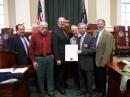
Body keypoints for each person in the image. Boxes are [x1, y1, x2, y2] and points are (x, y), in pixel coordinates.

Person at [29, 21, 55, 97]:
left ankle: (51, 92)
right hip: (39, 59)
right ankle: (42, 93)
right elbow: (31, 49)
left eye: (46, 28)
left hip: (49, 58)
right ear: (39, 28)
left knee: (50, 76)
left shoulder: (50, 34)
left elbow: (53, 45)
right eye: (42, 28)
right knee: (40, 77)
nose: (44, 29)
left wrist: (53, 55)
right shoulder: (34, 35)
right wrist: (33, 61)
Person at [94, 19, 114, 97]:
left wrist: (104, 62)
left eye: (101, 24)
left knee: (102, 76)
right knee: (96, 75)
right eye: (98, 24)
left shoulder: (108, 35)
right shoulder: (95, 32)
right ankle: (98, 88)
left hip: (102, 60)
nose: (99, 25)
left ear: (104, 24)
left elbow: (108, 50)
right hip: (94, 58)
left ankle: (102, 92)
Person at [52, 17, 71, 95]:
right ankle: (59, 87)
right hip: (60, 57)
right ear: (58, 23)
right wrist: (57, 58)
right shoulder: (55, 32)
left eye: (63, 21)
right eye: (61, 22)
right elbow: (54, 46)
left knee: (65, 72)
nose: (62, 23)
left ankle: (65, 84)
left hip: (67, 56)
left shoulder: (66, 31)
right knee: (60, 73)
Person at [76, 23, 96, 97]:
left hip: (88, 63)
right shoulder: (78, 38)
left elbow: (93, 50)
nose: (81, 30)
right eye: (79, 28)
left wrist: (82, 51)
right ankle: (82, 90)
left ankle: (89, 92)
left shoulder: (91, 38)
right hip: (80, 62)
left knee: (89, 79)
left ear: (85, 29)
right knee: (81, 78)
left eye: (82, 28)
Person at [70, 25, 80, 90]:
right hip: (74, 60)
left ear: (78, 30)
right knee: (75, 73)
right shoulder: (71, 39)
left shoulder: (82, 37)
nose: (74, 31)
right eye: (72, 30)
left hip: (82, 59)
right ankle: (77, 85)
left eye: (75, 30)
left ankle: (82, 86)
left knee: (81, 73)